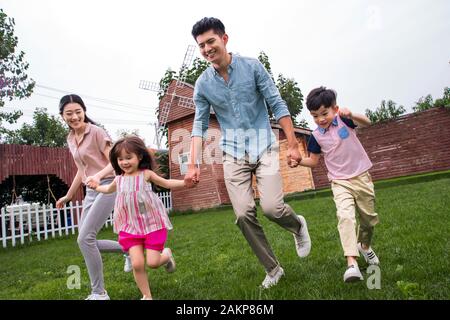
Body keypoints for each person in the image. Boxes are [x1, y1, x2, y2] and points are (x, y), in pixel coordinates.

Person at [184, 17, 311, 289]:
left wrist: (291, 143)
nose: (207, 49)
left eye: (211, 41)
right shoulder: (203, 84)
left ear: (224, 39)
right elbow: (199, 125)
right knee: (242, 214)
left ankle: (297, 226)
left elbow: (277, 103)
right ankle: (273, 269)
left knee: (272, 208)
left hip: (263, 145)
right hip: (232, 152)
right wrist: (192, 164)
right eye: (201, 45)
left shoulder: (252, 67)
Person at [93, 135, 190, 300]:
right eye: (120, 159)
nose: (124, 162)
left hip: (152, 224)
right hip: (130, 226)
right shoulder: (119, 179)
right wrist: (96, 186)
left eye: (128, 157)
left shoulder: (146, 174)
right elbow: (108, 189)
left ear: (139, 156)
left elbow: (166, 183)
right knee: (137, 264)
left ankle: (167, 255)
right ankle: (147, 296)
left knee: (152, 263)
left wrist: (185, 183)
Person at [299, 87, 380, 282]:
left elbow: (367, 123)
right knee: (345, 217)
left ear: (334, 108)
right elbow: (313, 161)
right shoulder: (316, 136)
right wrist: (297, 161)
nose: (320, 119)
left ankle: (365, 246)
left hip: (361, 177)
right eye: (315, 116)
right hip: (339, 181)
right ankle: (351, 263)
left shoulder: (345, 120)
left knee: (368, 220)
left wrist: (351, 114)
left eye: (324, 113)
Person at [56, 94, 132, 300]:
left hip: (109, 185)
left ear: (84, 111)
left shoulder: (96, 132)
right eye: (69, 113)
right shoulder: (71, 139)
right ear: (62, 116)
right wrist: (68, 196)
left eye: (78, 112)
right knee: (85, 241)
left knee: (85, 238)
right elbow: (82, 170)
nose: (74, 117)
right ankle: (128, 249)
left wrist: (98, 176)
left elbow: (114, 162)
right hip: (91, 191)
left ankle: (99, 293)